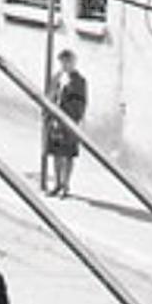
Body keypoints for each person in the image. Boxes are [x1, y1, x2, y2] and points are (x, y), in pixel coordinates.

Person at [44, 48, 88, 199]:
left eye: (68, 62)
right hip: (55, 120)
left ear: (73, 63)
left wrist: (72, 117)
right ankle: (57, 183)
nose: (65, 65)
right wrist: (49, 113)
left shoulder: (79, 81)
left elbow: (81, 103)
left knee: (68, 154)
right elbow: (49, 95)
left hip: (69, 121)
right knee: (56, 153)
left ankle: (66, 185)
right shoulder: (57, 78)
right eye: (63, 62)